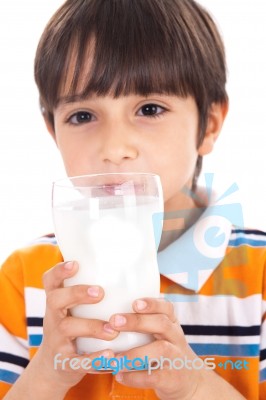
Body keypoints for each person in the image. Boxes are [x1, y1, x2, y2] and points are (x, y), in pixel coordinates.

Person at [0, 0, 265, 399]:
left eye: (150, 108)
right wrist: (47, 376)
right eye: (83, 116)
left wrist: (193, 385)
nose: (115, 148)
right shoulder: (25, 281)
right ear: (53, 132)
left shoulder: (257, 278)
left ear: (209, 124)